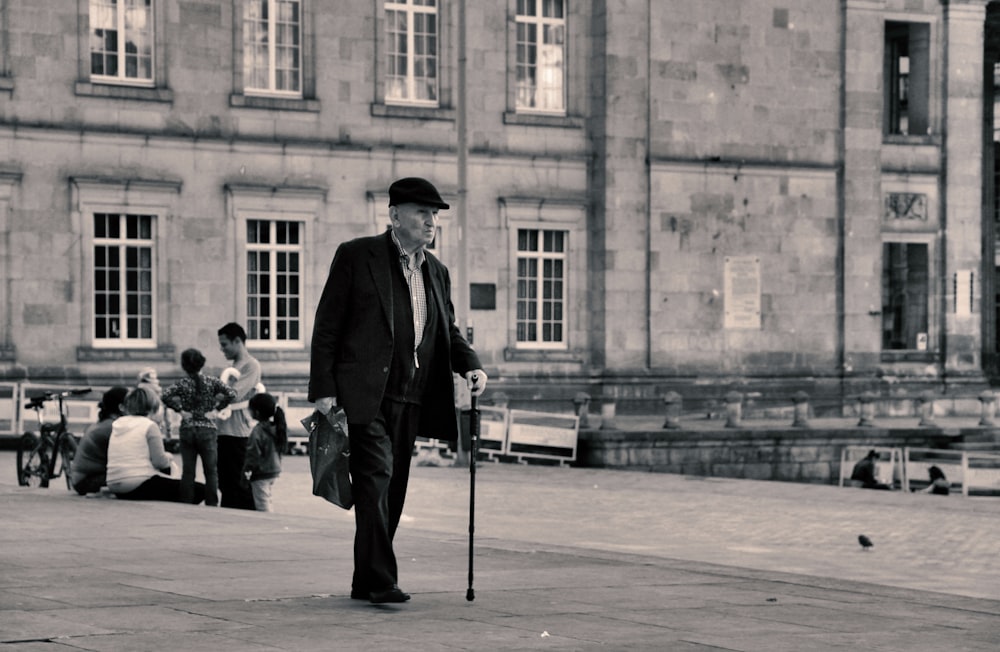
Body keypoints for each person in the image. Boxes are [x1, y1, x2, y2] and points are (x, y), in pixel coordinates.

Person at [309, 176, 487, 604]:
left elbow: (448, 330)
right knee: (376, 479)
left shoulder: (437, 271)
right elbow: (327, 325)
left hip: (413, 394)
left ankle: (364, 579)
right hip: (364, 395)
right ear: (394, 215)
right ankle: (382, 580)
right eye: (422, 213)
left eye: (434, 215)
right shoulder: (357, 256)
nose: (430, 221)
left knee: (393, 488)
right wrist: (323, 389)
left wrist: (471, 366)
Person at [161, 348, 237, 506]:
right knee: (211, 471)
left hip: (188, 428)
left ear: (184, 365)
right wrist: (216, 410)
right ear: (202, 363)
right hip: (207, 429)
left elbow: (165, 395)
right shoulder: (212, 382)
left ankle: (186, 502)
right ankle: (212, 503)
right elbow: (231, 393)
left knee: (188, 471)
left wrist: (181, 410)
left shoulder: (182, 384)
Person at [105, 386, 205, 503]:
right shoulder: (149, 426)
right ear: (153, 406)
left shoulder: (117, 424)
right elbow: (160, 462)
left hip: (114, 484)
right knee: (200, 489)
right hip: (137, 482)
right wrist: (169, 457)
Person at [215, 322, 262, 510]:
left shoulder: (251, 365)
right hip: (225, 431)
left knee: (238, 482)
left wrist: (216, 395)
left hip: (240, 433)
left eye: (225, 344)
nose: (222, 349)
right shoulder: (232, 367)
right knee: (225, 482)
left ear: (237, 341)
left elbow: (234, 394)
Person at [69, 386, 129, 495]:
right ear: (122, 407)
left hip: (83, 478)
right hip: (86, 481)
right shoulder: (112, 427)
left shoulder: (106, 423)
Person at [242, 392, 287, 512]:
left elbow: (253, 454)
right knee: (266, 498)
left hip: (261, 473)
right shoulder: (276, 428)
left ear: (256, 412)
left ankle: (268, 523)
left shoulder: (258, 431)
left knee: (262, 503)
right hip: (273, 470)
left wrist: (246, 472)